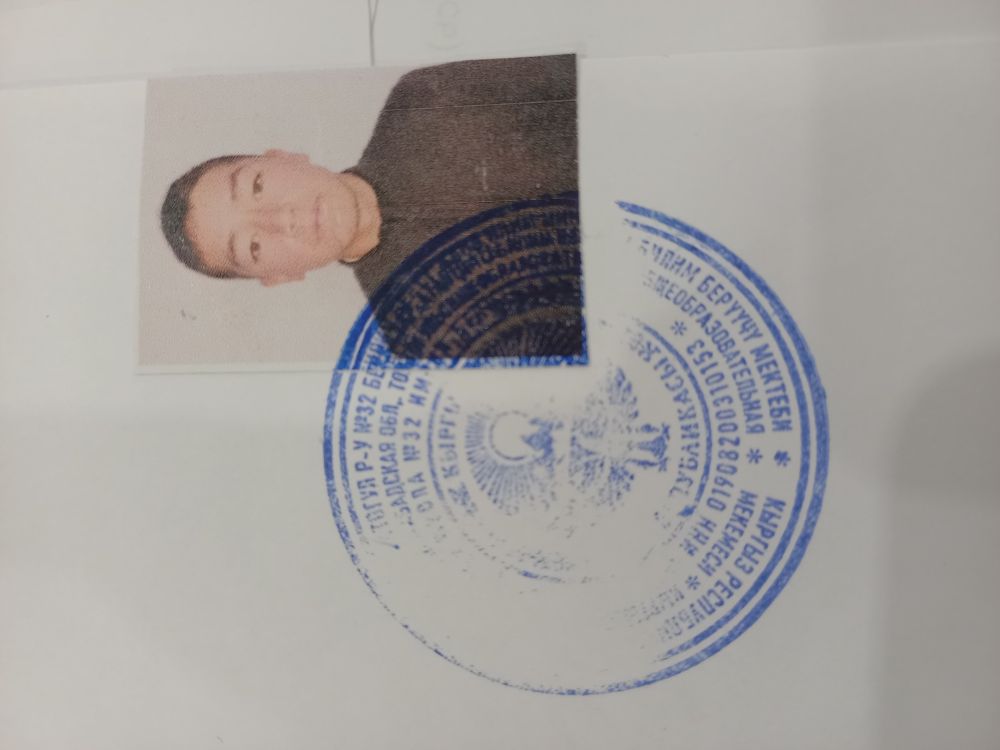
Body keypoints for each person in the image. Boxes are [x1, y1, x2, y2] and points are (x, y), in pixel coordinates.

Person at [159, 54, 582, 358]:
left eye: (257, 185)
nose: (280, 218)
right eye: (253, 246)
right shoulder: (419, 332)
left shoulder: (426, 97)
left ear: (283, 156)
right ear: (279, 277)